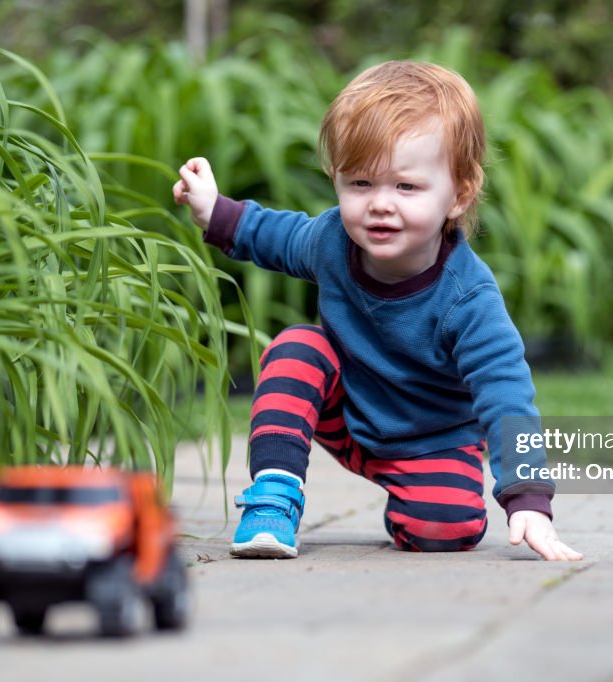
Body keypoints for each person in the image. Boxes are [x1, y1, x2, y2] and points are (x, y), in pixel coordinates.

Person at [173, 60, 582, 562]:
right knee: (297, 348)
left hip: (430, 440)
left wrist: (528, 498)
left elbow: (506, 395)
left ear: (459, 194)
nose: (380, 205)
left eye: (406, 187)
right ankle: (274, 497)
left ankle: (416, 499)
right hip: (347, 418)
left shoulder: (468, 300)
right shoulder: (331, 241)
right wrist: (215, 210)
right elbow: (273, 235)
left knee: (444, 528)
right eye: (361, 184)